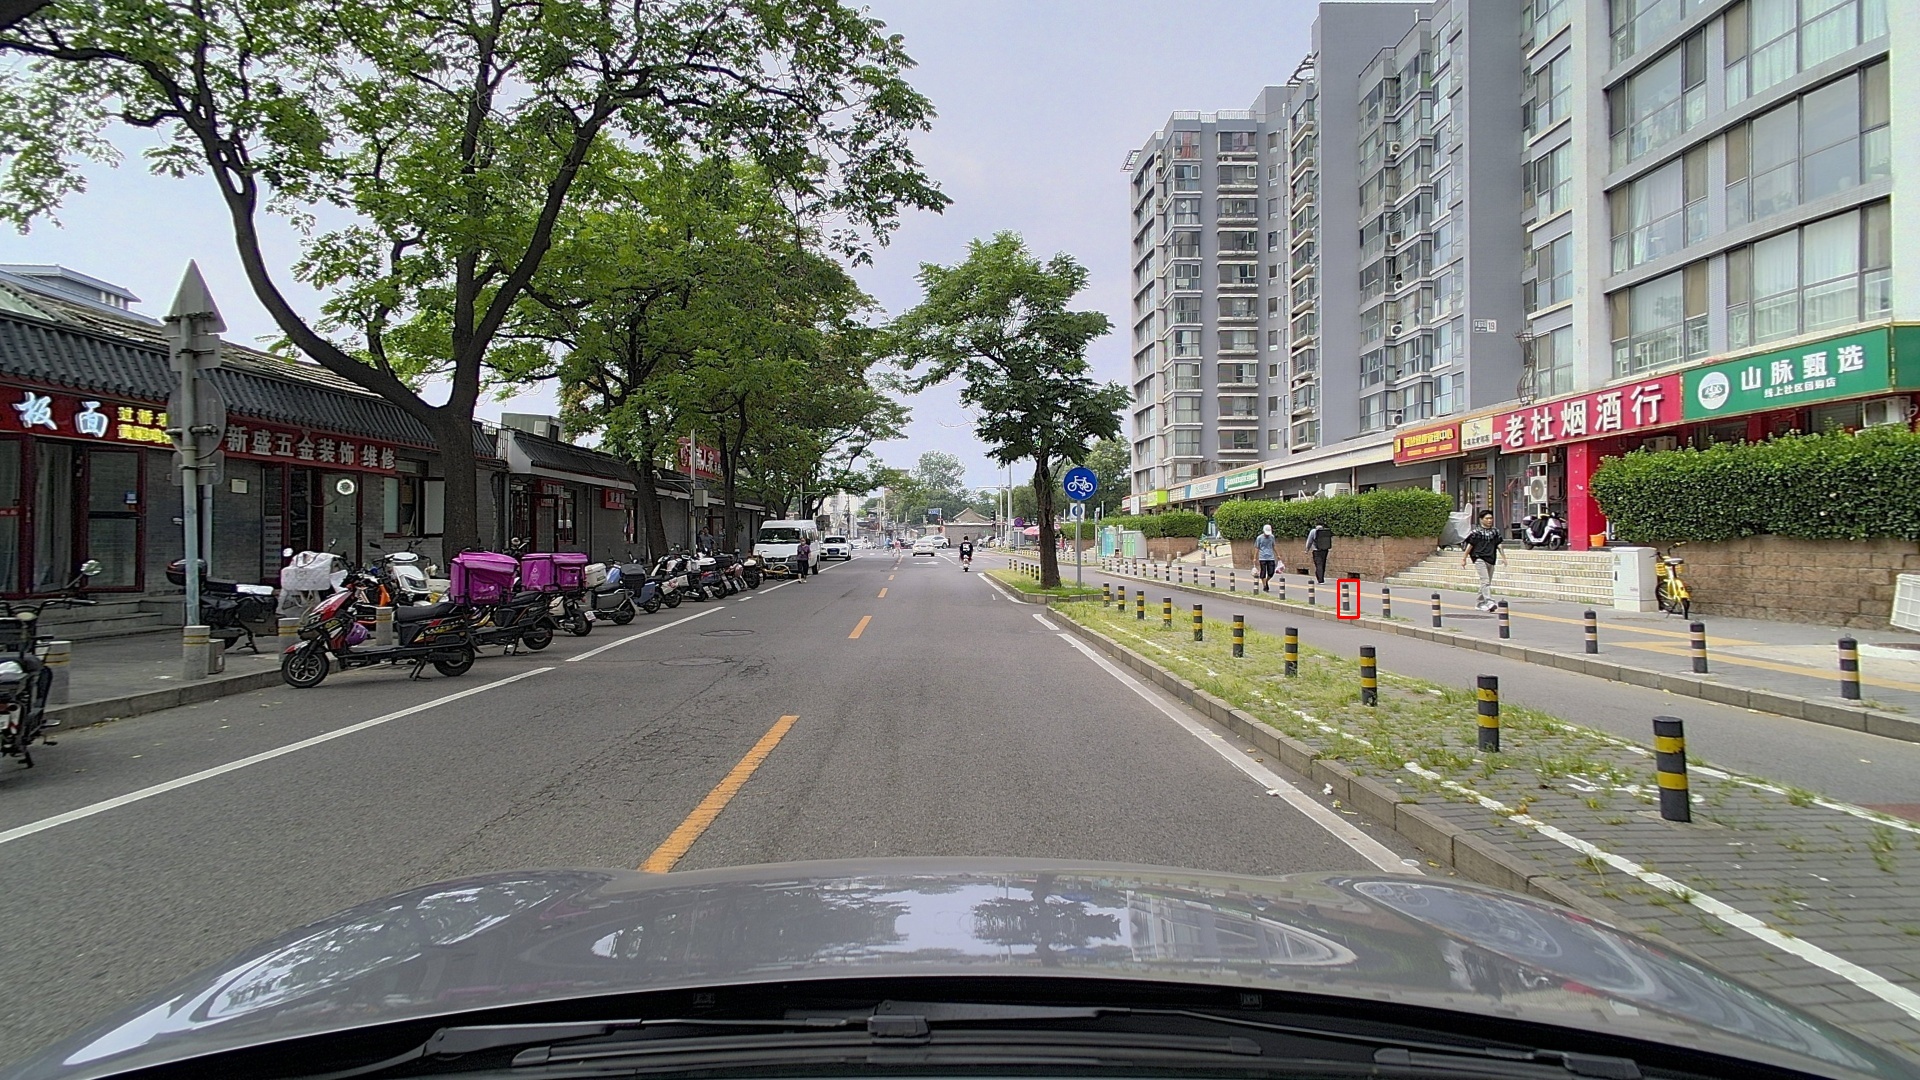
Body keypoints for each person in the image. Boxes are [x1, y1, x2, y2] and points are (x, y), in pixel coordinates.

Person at [1462, 509, 1503, 610]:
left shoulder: (1495, 532)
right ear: (1481, 519)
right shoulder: (1476, 532)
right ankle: (1489, 601)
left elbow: (1499, 544)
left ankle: (1479, 603)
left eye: (1491, 518)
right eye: (1487, 518)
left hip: (1491, 558)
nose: (1489, 520)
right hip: (1479, 558)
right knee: (1485, 581)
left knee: (1486, 582)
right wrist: (1464, 558)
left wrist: (1504, 557)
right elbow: (1470, 546)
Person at [1304, 519, 1332, 584]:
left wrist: (1307, 549)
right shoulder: (1325, 531)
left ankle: (1320, 580)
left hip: (1316, 550)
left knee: (1318, 564)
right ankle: (1321, 577)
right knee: (1323, 564)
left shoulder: (1313, 531)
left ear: (1316, 524)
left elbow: (1309, 541)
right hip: (1325, 550)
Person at [1254, 524, 1279, 593]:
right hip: (1262, 557)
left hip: (1271, 557)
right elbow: (1256, 547)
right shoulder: (1259, 538)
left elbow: (1274, 546)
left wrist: (1278, 555)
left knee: (1271, 572)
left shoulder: (1272, 537)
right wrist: (1255, 557)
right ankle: (1265, 586)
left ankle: (1266, 581)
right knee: (1263, 571)